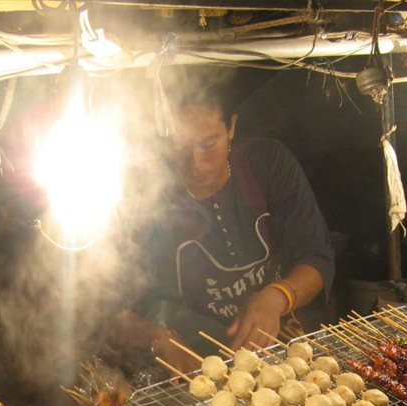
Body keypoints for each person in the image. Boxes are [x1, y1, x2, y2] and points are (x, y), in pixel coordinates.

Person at [107, 76, 335, 376]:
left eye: (208, 144)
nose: (195, 163)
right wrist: (157, 338)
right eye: (180, 146)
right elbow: (111, 313)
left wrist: (275, 297)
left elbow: (316, 257)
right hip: (199, 366)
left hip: (289, 351)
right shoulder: (147, 198)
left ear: (232, 128)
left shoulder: (267, 164)